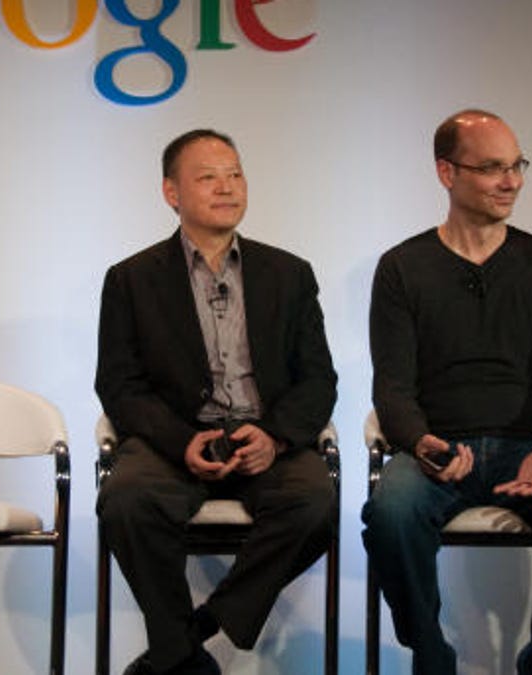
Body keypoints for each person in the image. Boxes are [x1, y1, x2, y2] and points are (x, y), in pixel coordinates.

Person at [362, 109, 532, 675]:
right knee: (389, 514)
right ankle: (432, 658)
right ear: (446, 173)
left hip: (529, 446)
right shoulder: (402, 268)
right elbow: (393, 387)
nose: (512, 182)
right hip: (439, 448)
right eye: (493, 168)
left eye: (517, 166)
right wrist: (423, 442)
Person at [95, 129, 337, 675]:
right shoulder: (131, 279)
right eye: (208, 177)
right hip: (175, 440)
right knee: (126, 501)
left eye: (235, 174)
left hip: (263, 438)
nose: (227, 187)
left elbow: (319, 379)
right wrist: (183, 441)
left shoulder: (289, 274)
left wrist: (274, 436)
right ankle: (185, 657)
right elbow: (118, 384)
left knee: (315, 504)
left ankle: (185, 639)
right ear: (171, 192)